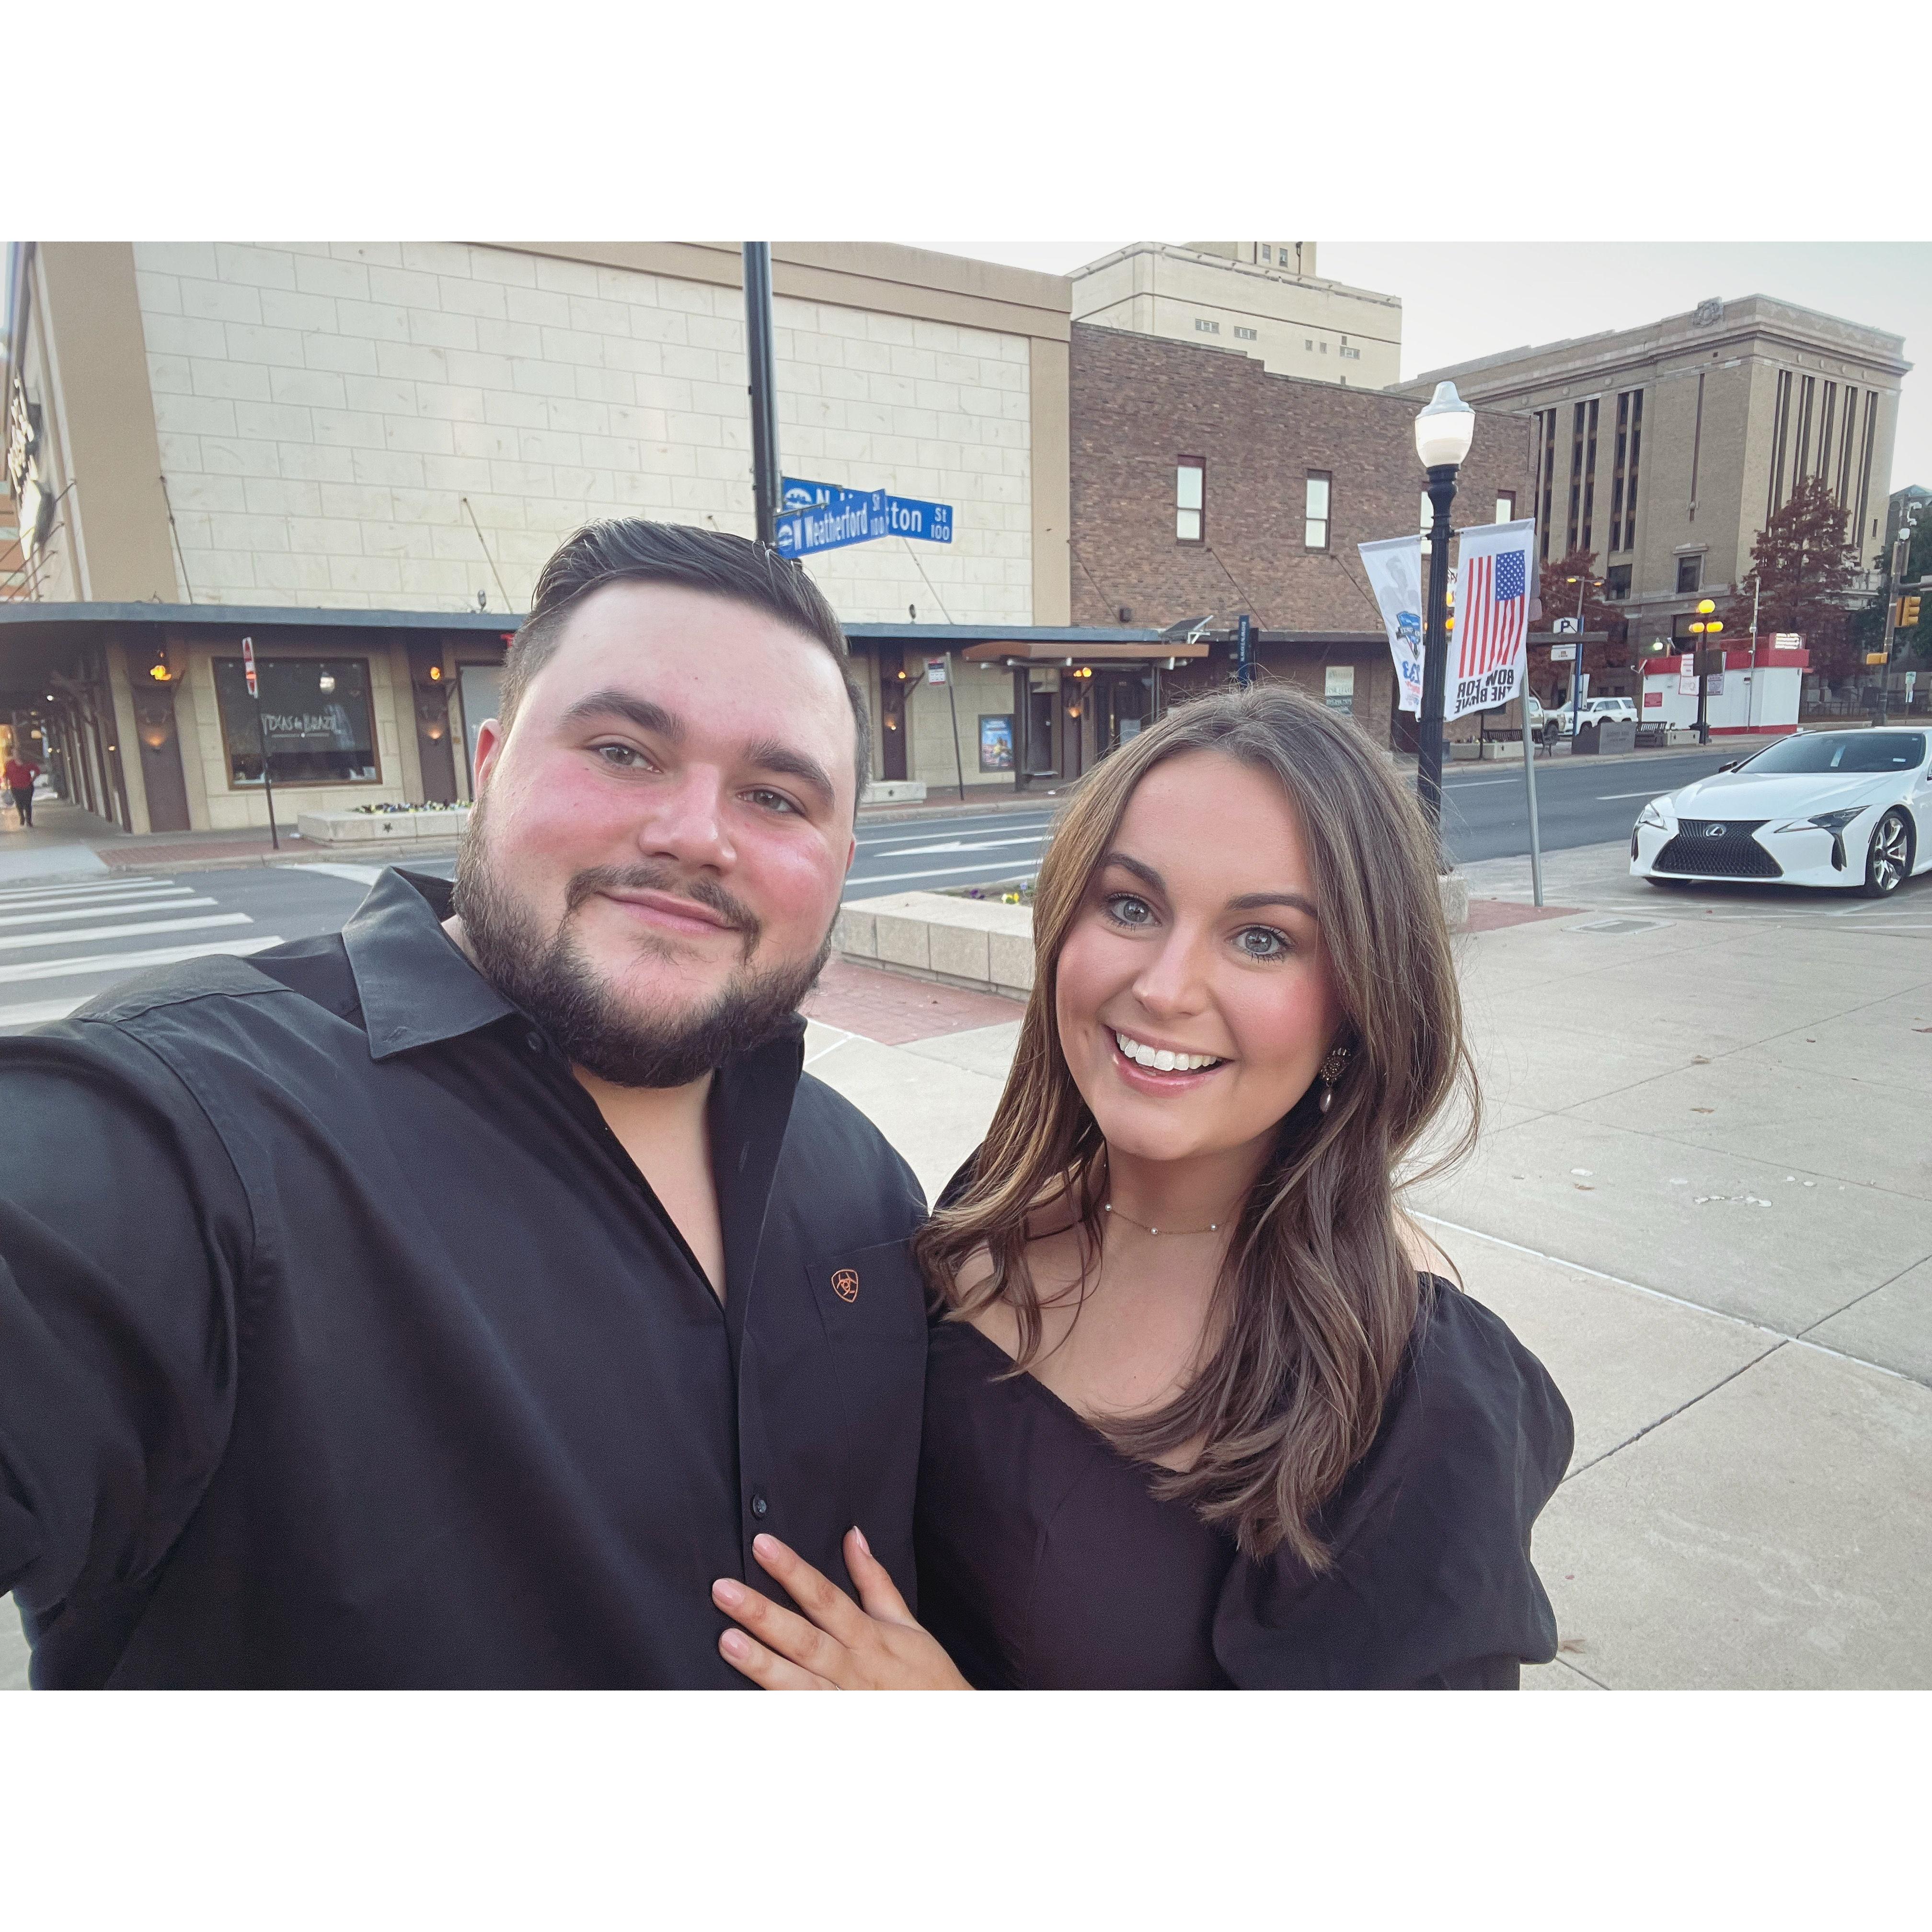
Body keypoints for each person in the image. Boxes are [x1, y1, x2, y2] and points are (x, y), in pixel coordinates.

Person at [0, 520, 929, 1687]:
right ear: (490, 767)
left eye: (777, 797)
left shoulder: (867, 1187)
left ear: (841, 859)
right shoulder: (192, 1127)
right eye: (623, 751)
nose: (697, 834)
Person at [707, 687, 1573, 1690]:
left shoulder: (1411, 1392)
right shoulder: (993, 1201)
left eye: (1262, 938)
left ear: (1358, 1005)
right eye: (1130, 907)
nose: (1163, 987)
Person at [4, 748, 41, 828]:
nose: (16, 755)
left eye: (17, 753)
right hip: (15, 788)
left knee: (28, 804)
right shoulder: (9, 764)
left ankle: (29, 821)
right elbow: (6, 775)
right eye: (14, 754)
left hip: (28, 787)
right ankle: (22, 816)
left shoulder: (27, 763)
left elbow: (37, 770)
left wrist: (33, 779)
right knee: (19, 803)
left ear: (21, 754)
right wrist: (7, 786)